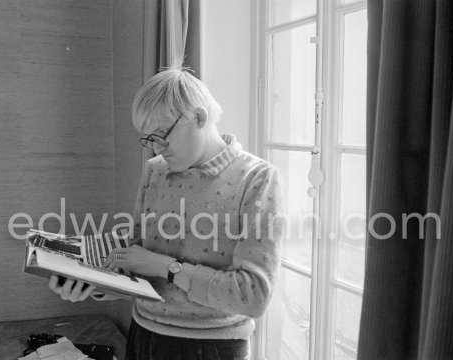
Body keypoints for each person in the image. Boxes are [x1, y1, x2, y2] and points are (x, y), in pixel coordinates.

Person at [48, 64, 284, 360]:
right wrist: (93, 283)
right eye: (148, 139)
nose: (156, 149)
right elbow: (137, 263)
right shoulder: (156, 170)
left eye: (162, 135)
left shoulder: (257, 179)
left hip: (212, 346)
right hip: (143, 334)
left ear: (198, 117)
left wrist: (166, 267)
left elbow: (253, 296)